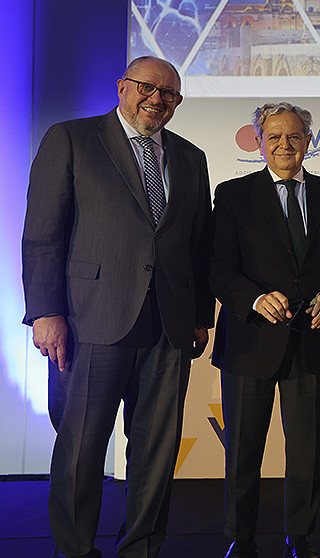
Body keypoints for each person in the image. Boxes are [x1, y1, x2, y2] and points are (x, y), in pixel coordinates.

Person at [22, 56, 213, 558]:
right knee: (80, 450)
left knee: (156, 454)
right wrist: (46, 313)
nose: (158, 99)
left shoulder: (191, 158)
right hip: (90, 322)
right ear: (123, 87)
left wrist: (199, 317)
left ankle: (140, 550)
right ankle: (76, 551)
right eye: (148, 87)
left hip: (169, 329)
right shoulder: (71, 138)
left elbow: (199, 246)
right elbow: (43, 234)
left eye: (170, 93)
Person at [209, 103, 320, 558]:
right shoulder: (233, 195)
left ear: (309, 142)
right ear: (258, 142)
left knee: (306, 452)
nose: (283, 145)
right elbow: (219, 268)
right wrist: (254, 298)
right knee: (243, 453)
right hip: (249, 343)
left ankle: (301, 536)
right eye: (273, 137)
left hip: (310, 343)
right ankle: (242, 537)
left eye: (293, 136)